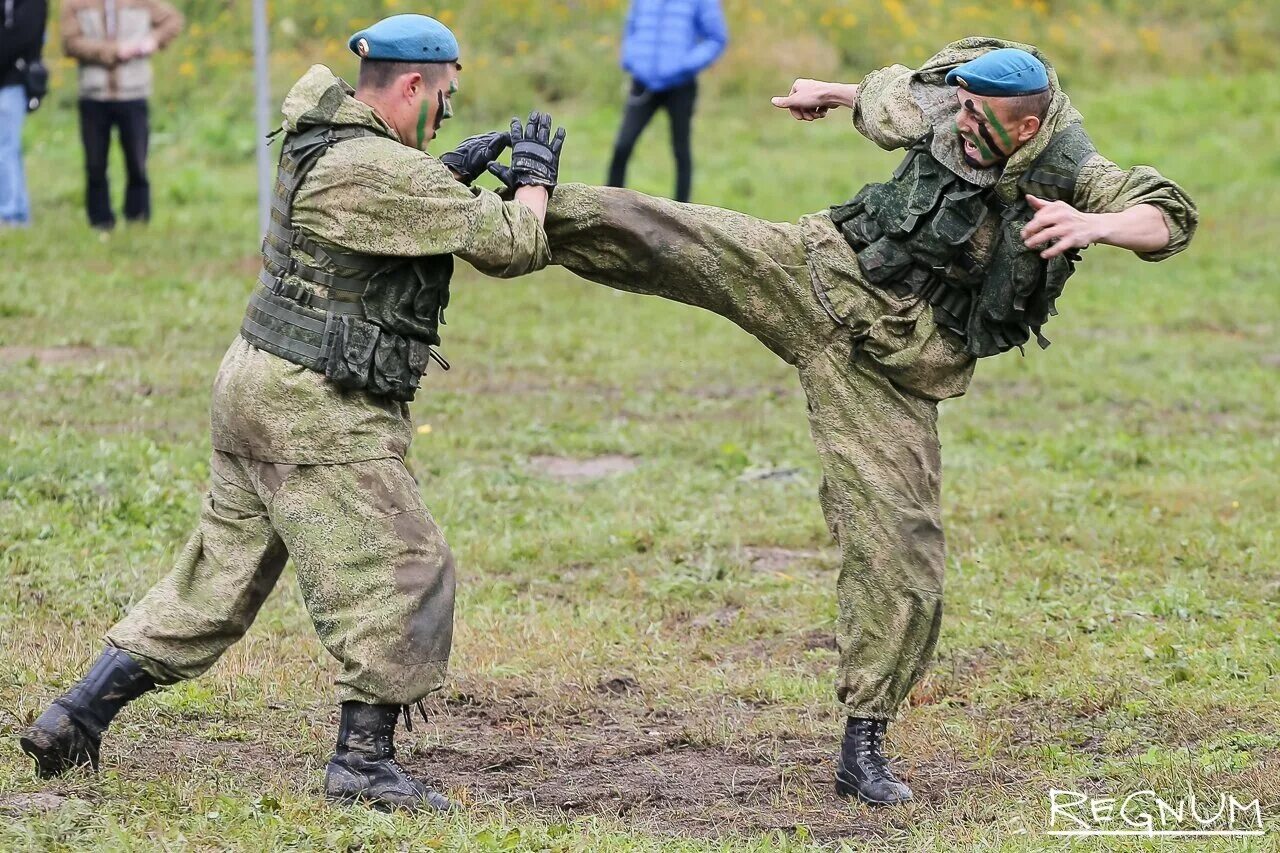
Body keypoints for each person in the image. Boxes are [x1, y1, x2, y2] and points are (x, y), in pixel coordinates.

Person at [539, 39, 1196, 805]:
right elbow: (895, 101)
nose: (959, 123)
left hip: (891, 369)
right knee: (670, 233)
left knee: (905, 550)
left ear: (1023, 130)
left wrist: (1096, 227)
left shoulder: (1071, 166)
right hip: (817, 273)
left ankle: (865, 741)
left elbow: (1165, 214)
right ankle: (512, 210)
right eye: (959, 107)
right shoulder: (954, 101)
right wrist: (833, 89)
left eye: (979, 120)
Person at [20, 14, 566, 813]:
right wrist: (536, 178)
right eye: (445, 98)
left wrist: (447, 164)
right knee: (407, 569)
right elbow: (512, 242)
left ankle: (75, 715)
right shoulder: (384, 171)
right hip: (314, 407)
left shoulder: (323, 138)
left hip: (250, 385)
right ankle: (363, 764)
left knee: (217, 578)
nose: (447, 112)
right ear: (412, 86)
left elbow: (369, 214)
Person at [61, 0, 183, 228]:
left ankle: (137, 218)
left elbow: (173, 20)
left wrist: (152, 41)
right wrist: (112, 51)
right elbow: (70, 43)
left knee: (137, 161)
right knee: (95, 164)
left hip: (133, 92)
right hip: (93, 94)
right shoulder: (76, 3)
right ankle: (100, 221)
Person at [606, 0, 727, 202]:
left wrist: (684, 65)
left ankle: (683, 215)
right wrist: (631, 59)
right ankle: (607, 208)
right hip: (642, 84)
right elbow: (632, 26)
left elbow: (716, 38)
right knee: (622, 146)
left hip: (681, 86)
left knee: (681, 151)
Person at [0, 0, 47, 226]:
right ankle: (17, 212)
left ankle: (10, 215)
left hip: (12, 82)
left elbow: (22, 36)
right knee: (8, 149)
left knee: (5, 148)